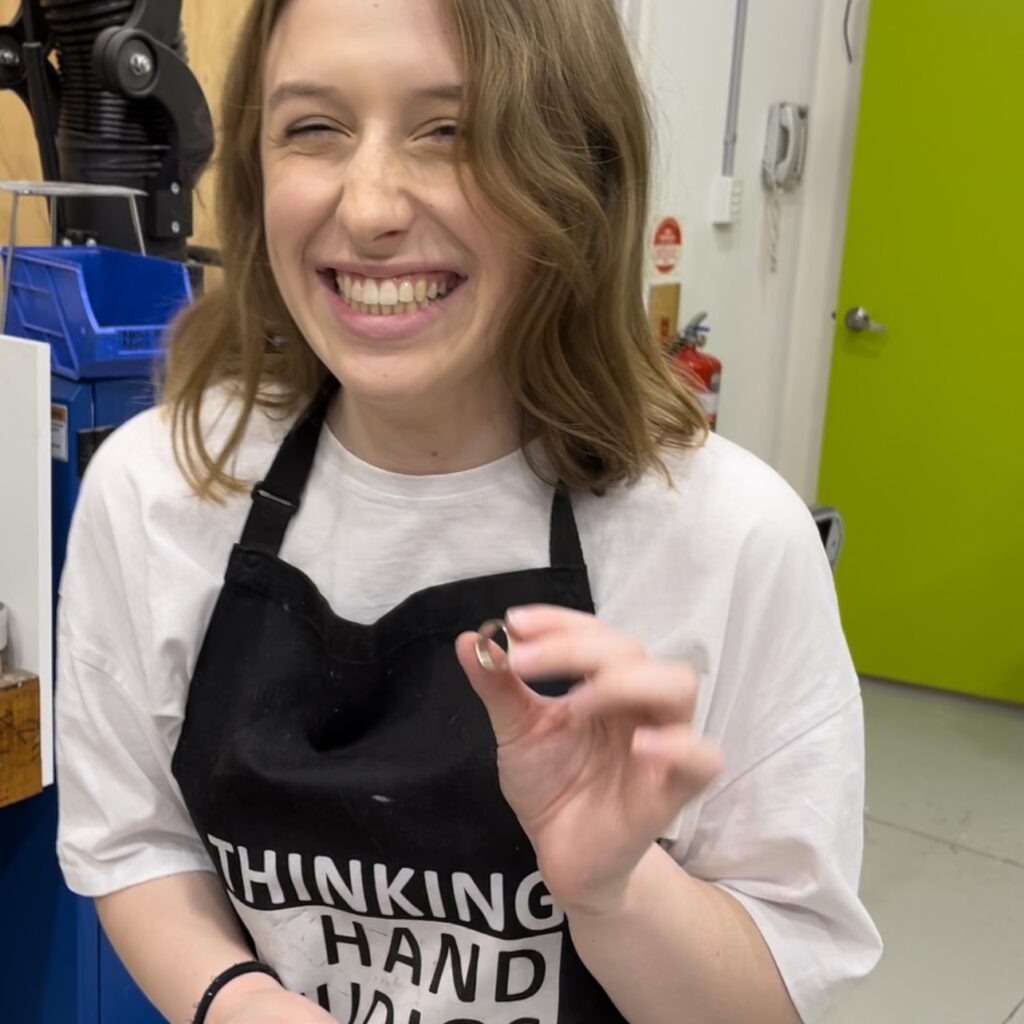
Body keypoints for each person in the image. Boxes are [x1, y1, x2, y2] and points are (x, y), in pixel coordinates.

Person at [54, 0, 882, 1022]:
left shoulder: (733, 540)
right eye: (313, 126)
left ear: (574, 168)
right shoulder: (160, 491)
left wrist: (616, 887)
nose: (368, 208)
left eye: (451, 130)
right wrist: (238, 1002)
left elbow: (773, 993)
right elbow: (136, 839)